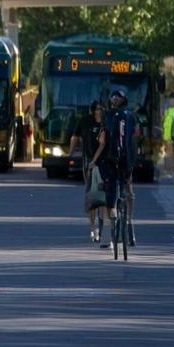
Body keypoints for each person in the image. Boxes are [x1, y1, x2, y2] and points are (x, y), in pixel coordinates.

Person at [92, 89, 138, 248]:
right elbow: (136, 137)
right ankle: (129, 226)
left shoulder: (107, 116)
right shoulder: (131, 116)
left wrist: (95, 160)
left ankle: (107, 236)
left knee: (109, 196)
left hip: (110, 160)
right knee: (128, 190)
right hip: (127, 160)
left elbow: (102, 141)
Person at [71, 100, 108, 242]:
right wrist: (71, 151)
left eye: (102, 109)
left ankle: (103, 224)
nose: (100, 111)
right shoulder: (85, 121)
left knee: (104, 196)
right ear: (94, 110)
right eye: (98, 109)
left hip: (105, 162)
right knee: (92, 195)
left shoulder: (108, 122)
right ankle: (93, 228)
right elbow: (75, 137)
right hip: (90, 163)